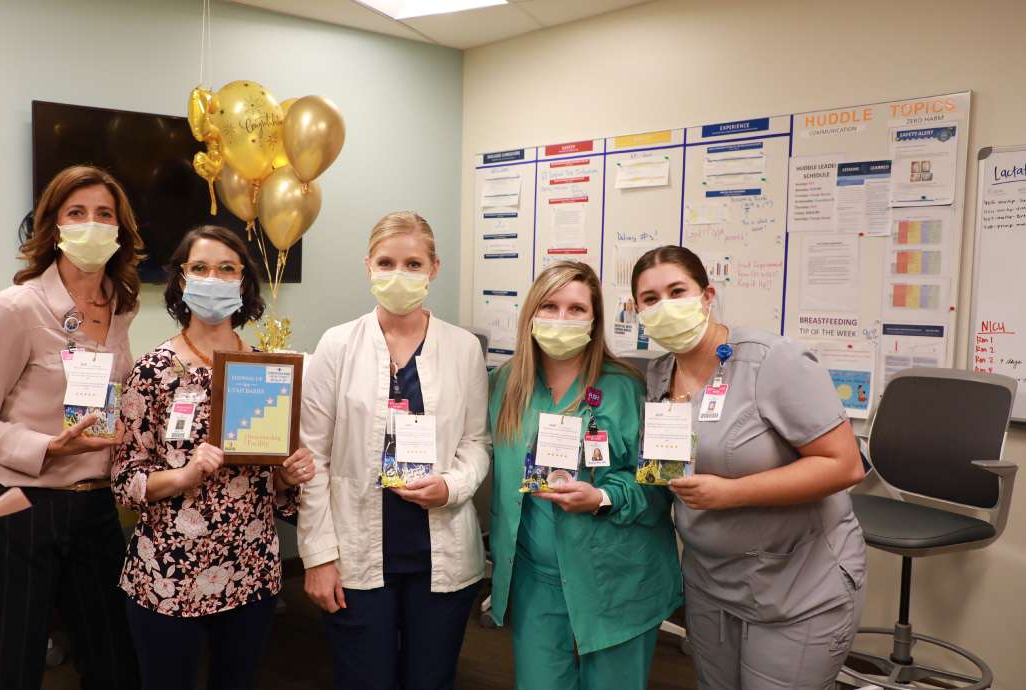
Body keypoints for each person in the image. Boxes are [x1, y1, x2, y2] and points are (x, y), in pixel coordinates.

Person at [0, 165, 142, 689]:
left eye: (105, 214)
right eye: (77, 213)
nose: (92, 224)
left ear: (120, 231)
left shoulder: (120, 307)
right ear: (53, 227)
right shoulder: (15, 309)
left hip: (95, 507)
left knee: (114, 664)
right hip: (20, 507)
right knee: (14, 669)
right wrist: (44, 447)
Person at [631, 245, 867, 690]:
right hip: (710, 582)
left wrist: (732, 492)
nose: (665, 306)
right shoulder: (659, 376)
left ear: (707, 295)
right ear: (638, 310)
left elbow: (844, 465)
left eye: (676, 290)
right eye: (650, 299)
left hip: (797, 584)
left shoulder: (773, 361)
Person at [111, 226, 315, 690]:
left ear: (243, 283)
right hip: (169, 574)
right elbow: (125, 481)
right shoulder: (154, 370)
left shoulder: (267, 371)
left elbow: (277, 489)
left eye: (227, 268)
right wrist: (183, 475)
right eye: (200, 268)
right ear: (181, 280)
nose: (213, 278)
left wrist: (287, 476)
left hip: (250, 571)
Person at [298, 211, 490, 690]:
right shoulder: (337, 345)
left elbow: (476, 443)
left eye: (412, 263)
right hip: (357, 558)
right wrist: (318, 558)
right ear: (368, 266)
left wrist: (452, 484)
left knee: (431, 680)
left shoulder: (463, 348)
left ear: (434, 268)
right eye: (386, 262)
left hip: (439, 558)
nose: (398, 274)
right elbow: (312, 458)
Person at [488, 261, 682, 690]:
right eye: (550, 306)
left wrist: (600, 497)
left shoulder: (627, 387)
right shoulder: (505, 385)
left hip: (617, 577)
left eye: (576, 309)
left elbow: (659, 484)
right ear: (530, 314)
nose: (561, 318)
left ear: (594, 320)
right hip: (536, 578)